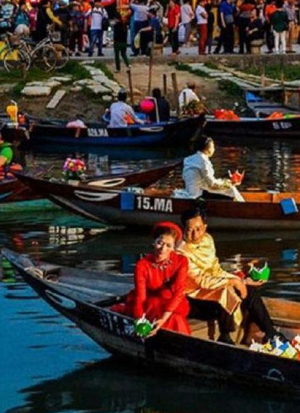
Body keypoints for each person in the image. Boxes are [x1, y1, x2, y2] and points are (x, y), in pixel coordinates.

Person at [177, 207, 280, 344]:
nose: (195, 235)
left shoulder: (207, 240)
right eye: (190, 230)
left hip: (212, 289)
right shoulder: (181, 251)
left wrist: (241, 280)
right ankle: (225, 336)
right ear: (183, 229)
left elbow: (216, 270)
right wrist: (234, 282)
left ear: (205, 227)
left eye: (199, 229)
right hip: (193, 298)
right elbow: (201, 280)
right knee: (225, 291)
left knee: (250, 291)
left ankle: (270, 332)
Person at [114, 222, 191, 336]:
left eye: (168, 245)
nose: (163, 249)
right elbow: (141, 297)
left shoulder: (181, 261)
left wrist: (163, 319)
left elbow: (179, 292)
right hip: (150, 303)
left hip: (173, 302)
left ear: (174, 248)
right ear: (154, 243)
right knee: (170, 318)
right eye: (160, 243)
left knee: (175, 318)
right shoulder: (142, 265)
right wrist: (140, 321)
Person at [182, 136, 244, 201]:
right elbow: (212, 184)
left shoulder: (188, 159)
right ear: (208, 148)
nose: (214, 149)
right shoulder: (203, 161)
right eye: (213, 147)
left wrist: (227, 182)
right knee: (231, 190)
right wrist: (229, 183)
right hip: (198, 194)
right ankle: (243, 208)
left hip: (190, 191)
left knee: (229, 188)